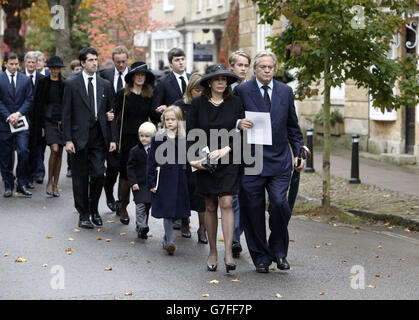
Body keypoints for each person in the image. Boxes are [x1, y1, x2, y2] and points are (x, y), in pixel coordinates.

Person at [234, 51, 305, 273]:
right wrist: (238, 123)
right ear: (254, 69)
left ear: (275, 69)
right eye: (262, 67)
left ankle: (279, 252)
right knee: (252, 209)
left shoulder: (285, 91)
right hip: (251, 160)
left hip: (279, 160)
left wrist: (299, 152)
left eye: (270, 67)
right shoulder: (242, 91)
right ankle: (261, 257)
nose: (267, 70)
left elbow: (293, 126)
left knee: (279, 204)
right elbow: (230, 118)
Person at [188, 64, 244, 272]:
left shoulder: (236, 103)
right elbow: (191, 134)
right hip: (205, 160)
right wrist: (193, 160)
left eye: (224, 79)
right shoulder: (197, 104)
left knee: (227, 202)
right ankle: (213, 252)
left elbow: (241, 134)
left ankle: (228, 252)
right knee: (210, 205)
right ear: (209, 82)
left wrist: (226, 149)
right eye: (216, 79)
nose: (221, 82)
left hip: (229, 158)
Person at [62, 47, 117, 229]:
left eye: (96, 59)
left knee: (99, 174)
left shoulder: (105, 85)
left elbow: (111, 114)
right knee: (80, 177)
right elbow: (66, 114)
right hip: (79, 137)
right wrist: (68, 139)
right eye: (91, 60)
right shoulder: (72, 84)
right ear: (83, 63)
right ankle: (83, 214)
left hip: (99, 137)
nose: (95, 63)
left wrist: (112, 139)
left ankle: (94, 209)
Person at [112, 62, 159, 225]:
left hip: (144, 140)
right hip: (126, 140)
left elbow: (154, 118)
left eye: (143, 74)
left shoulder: (149, 95)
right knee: (126, 177)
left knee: (144, 176)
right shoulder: (122, 95)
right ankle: (123, 206)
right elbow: (113, 116)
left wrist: (162, 112)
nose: (140, 77)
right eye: (137, 74)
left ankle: (142, 216)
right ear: (132, 77)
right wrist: (113, 139)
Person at [152, 47, 191, 231]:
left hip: (191, 133)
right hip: (171, 134)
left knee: (188, 175)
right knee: (174, 173)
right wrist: (162, 110)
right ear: (171, 63)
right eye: (177, 60)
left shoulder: (192, 79)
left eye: (182, 59)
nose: (181, 62)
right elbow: (155, 107)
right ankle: (176, 216)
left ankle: (185, 217)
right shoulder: (163, 82)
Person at [147, 106, 190, 255]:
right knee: (167, 211)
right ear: (163, 121)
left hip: (180, 178)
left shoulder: (183, 138)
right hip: (164, 179)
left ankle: (166, 238)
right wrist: (151, 182)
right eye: (167, 119)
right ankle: (171, 242)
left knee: (176, 210)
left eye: (173, 119)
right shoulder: (158, 139)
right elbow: (151, 162)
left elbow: (189, 159)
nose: (170, 122)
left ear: (179, 121)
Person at [173, 73, 207, 244]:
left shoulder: (207, 105)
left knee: (202, 191)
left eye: (203, 90)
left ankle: (203, 228)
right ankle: (185, 221)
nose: (200, 93)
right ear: (190, 89)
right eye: (197, 90)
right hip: (182, 151)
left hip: (202, 151)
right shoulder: (180, 106)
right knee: (184, 189)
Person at [100, 46, 130, 213]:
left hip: (127, 127)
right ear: (113, 61)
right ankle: (109, 194)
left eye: (123, 61)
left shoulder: (133, 76)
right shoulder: (105, 75)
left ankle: (121, 202)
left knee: (125, 167)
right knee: (112, 166)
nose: (120, 64)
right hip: (110, 125)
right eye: (117, 61)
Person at [0, 52, 34, 198]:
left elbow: (29, 99)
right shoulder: (0, 79)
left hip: (21, 123)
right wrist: (8, 116)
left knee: (23, 152)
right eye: (11, 64)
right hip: (4, 123)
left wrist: (18, 114)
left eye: (16, 64)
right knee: (5, 156)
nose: (14, 67)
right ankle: (8, 184)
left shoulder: (25, 80)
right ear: (5, 63)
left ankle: (21, 184)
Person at [228, 50, 251, 258]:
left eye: (246, 65)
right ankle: (234, 238)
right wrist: (236, 123)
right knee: (234, 194)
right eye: (240, 65)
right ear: (232, 67)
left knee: (247, 193)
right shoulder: (226, 90)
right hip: (230, 146)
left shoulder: (252, 89)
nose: (243, 69)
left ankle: (239, 232)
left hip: (252, 148)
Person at [35, 56, 66, 197]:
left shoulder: (65, 83)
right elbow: (38, 104)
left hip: (62, 122)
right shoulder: (43, 82)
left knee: (59, 152)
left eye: (57, 68)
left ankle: (55, 184)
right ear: (49, 68)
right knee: (54, 149)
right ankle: (49, 182)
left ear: (60, 69)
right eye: (52, 68)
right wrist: (41, 125)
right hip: (48, 121)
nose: (55, 70)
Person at [126, 122, 157, 239]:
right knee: (140, 205)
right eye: (141, 136)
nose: (144, 138)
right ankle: (142, 225)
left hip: (150, 184)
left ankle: (141, 227)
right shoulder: (135, 151)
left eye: (147, 136)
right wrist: (133, 182)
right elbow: (130, 167)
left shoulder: (156, 150)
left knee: (147, 205)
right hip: (138, 183)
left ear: (153, 137)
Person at [22, 51, 46, 188]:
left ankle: (38, 172)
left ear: (37, 64)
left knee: (37, 147)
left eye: (33, 62)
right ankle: (27, 176)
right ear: (25, 63)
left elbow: (43, 102)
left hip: (37, 118)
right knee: (25, 148)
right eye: (29, 62)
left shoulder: (42, 79)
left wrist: (43, 124)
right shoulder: (20, 77)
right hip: (23, 117)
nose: (31, 64)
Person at [65, 59, 82, 178]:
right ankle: (70, 166)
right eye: (77, 70)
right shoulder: (70, 83)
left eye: (80, 69)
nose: (79, 72)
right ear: (72, 71)